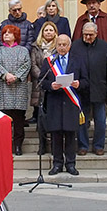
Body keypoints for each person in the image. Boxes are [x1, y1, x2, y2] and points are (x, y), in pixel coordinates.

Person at [39, 34, 88, 175]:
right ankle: (57, 164)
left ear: (69, 46)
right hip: (55, 102)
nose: (61, 47)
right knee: (56, 136)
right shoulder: (49, 62)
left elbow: (86, 81)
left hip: (71, 103)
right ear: (56, 45)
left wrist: (78, 84)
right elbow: (41, 82)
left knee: (71, 135)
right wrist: (51, 85)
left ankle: (71, 164)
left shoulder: (78, 60)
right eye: (59, 44)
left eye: (64, 44)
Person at [0, 25, 32, 156]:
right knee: (4, 120)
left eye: (9, 33)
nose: (6, 35)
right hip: (3, 88)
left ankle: (18, 145)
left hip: (19, 88)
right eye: (4, 33)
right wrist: (5, 75)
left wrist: (16, 76)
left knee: (19, 119)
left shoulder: (23, 50)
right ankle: (6, 145)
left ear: (16, 36)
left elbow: (27, 64)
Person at [73, 22, 107, 156]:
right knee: (82, 120)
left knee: (100, 121)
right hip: (81, 90)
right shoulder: (76, 46)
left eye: (91, 35)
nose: (88, 37)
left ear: (96, 34)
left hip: (99, 89)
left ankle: (98, 145)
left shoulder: (104, 46)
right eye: (85, 34)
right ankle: (83, 146)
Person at [30, 21, 60, 155]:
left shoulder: (58, 47)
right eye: (46, 30)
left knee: (54, 119)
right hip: (40, 85)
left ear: (55, 33)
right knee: (41, 120)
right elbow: (33, 64)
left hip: (54, 87)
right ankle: (42, 145)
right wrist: (43, 76)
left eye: (51, 30)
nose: (48, 32)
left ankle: (54, 145)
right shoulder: (36, 47)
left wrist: (51, 79)